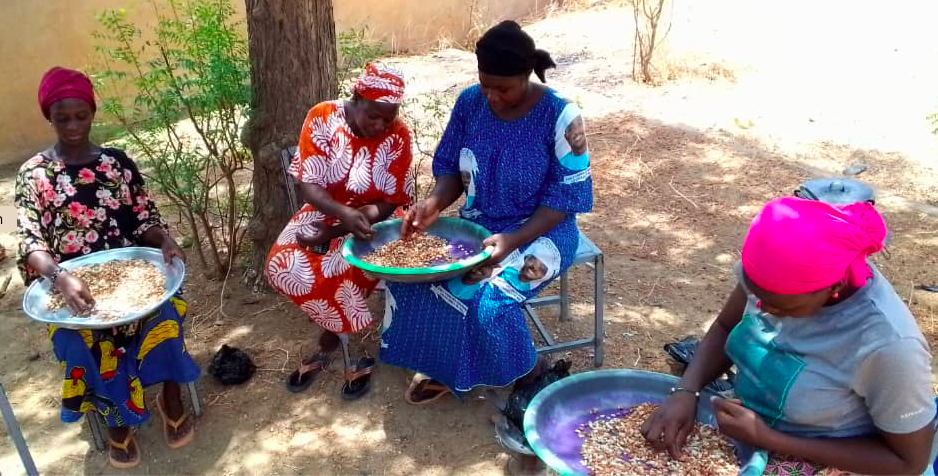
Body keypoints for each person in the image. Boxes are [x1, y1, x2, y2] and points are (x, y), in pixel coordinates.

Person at [640, 197, 937, 476]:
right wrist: (686, 390)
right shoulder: (771, 273)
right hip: (750, 426)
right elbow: (724, 327)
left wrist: (770, 439)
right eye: (756, 296)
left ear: (834, 287)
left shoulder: (889, 346)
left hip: (833, 459)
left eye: (782, 308)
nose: (761, 308)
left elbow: (909, 462)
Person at [379, 21, 593, 406]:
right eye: (485, 85)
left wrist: (513, 239)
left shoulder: (560, 115)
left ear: (526, 76)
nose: (491, 96)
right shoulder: (470, 103)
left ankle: (531, 372)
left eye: (503, 89)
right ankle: (449, 366)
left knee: (490, 302)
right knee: (416, 279)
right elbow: (450, 167)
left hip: (544, 232)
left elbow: (565, 199)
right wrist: (433, 204)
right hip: (479, 226)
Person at [15, 67, 200, 469]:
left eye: (80, 116)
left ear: (92, 113)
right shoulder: (34, 174)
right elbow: (30, 244)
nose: (73, 126)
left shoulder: (116, 164)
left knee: (168, 313)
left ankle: (171, 397)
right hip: (69, 286)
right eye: (62, 118)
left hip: (132, 278)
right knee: (82, 340)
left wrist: (164, 240)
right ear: (49, 117)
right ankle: (117, 417)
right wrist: (60, 276)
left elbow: (144, 219)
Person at [266, 63, 412, 399]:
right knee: (282, 262)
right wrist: (339, 217)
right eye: (373, 116)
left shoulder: (399, 134)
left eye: (388, 118)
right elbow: (308, 186)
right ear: (357, 98)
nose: (380, 126)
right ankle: (336, 327)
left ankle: (340, 340)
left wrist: (343, 228)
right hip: (326, 208)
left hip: (376, 218)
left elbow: (391, 201)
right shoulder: (322, 117)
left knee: (343, 269)